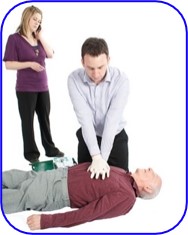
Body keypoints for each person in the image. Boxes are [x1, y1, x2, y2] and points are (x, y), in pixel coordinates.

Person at [2, 162, 162, 230]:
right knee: (10, 177)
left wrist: (47, 221)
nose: (149, 168)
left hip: (56, 191)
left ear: (147, 188)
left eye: (152, 174)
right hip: (58, 174)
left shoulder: (127, 198)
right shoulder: (123, 174)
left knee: (13, 198)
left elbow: (89, 214)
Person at [3, 5, 64, 163]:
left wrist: (40, 36)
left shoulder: (38, 38)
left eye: (39, 20)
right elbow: (8, 64)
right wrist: (29, 64)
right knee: (28, 121)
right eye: (35, 19)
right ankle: (32, 154)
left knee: (45, 119)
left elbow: (50, 54)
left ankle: (50, 149)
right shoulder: (14, 39)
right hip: (25, 89)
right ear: (26, 18)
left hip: (43, 87)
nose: (37, 22)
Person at [67, 37, 129, 180]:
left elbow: (112, 121)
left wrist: (102, 160)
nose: (96, 74)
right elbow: (85, 119)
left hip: (115, 136)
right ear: (82, 62)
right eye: (90, 68)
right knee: (83, 182)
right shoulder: (73, 79)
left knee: (120, 182)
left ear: (108, 59)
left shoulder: (121, 80)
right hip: (89, 134)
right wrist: (96, 156)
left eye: (100, 67)